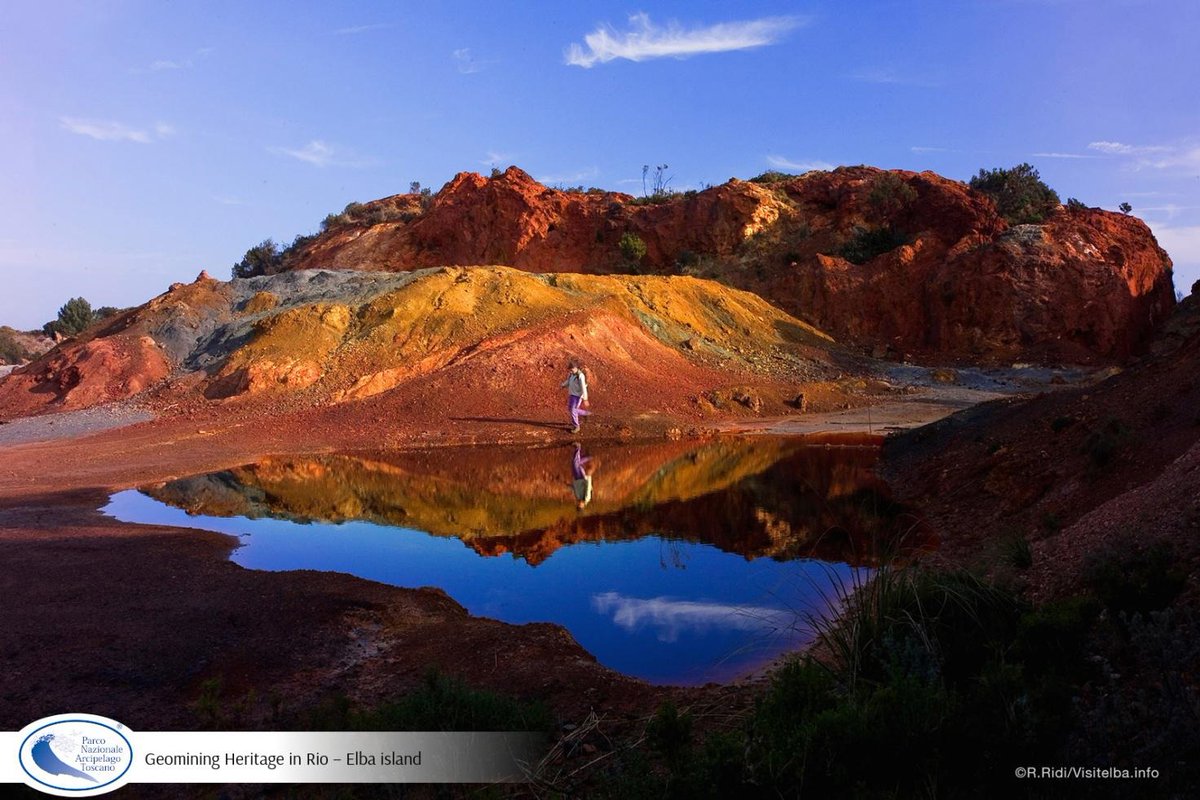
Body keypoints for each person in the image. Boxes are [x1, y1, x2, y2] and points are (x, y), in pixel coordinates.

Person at [560, 360, 590, 433]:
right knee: (570, 409)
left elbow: (583, 388)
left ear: (576, 367)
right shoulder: (571, 374)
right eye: (570, 369)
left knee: (573, 410)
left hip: (577, 396)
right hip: (572, 395)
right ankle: (585, 413)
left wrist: (585, 399)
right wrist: (563, 385)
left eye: (572, 369)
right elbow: (568, 381)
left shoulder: (580, 376)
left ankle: (576, 426)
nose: (571, 370)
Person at [570, 442, 594, 510]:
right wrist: (589, 476)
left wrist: (568, 486)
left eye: (578, 505)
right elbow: (588, 487)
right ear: (583, 506)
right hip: (581, 478)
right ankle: (578, 447)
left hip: (576, 479)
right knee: (575, 464)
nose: (579, 503)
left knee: (575, 464)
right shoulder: (587, 498)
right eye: (580, 505)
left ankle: (587, 457)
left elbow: (574, 489)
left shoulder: (578, 498)